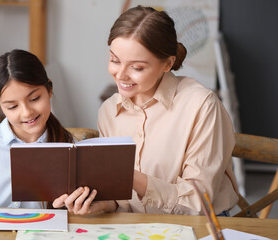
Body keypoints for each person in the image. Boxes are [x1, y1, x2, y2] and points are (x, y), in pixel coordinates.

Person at [53, 6, 239, 216]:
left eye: (137, 67)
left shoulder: (201, 105)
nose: (120, 75)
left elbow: (197, 203)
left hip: (200, 226)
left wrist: (133, 178)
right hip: (138, 226)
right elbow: (122, 199)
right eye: (115, 60)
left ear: (167, 63)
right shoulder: (109, 111)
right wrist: (104, 204)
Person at [0, 49, 74, 208]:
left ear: (49, 90)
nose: (27, 112)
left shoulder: (70, 146)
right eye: (12, 106)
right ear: (1, 107)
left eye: (35, 98)